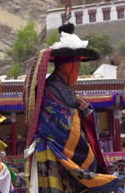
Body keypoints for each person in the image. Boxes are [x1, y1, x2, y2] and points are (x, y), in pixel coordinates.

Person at [23, 23, 117, 192]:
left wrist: (85, 109)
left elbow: (77, 114)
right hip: (53, 148)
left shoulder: (64, 89)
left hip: (62, 147)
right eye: (77, 66)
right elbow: (60, 119)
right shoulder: (51, 87)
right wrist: (77, 111)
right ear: (68, 66)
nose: (78, 70)